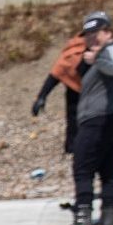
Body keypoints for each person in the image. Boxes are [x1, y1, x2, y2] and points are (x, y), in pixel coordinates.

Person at [62, 11, 113, 225]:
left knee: (82, 168)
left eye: (96, 33)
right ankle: (108, 222)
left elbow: (111, 66)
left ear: (108, 33)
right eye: (88, 34)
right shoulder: (100, 53)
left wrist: (97, 59)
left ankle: (82, 223)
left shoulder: (112, 50)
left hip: (100, 120)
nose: (91, 38)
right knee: (108, 172)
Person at [32, 24, 87, 163]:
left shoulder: (103, 47)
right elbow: (56, 73)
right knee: (73, 120)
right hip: (75, 91)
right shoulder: (73, 51)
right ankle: (72, 149)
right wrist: (42, 96)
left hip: (95, 92)